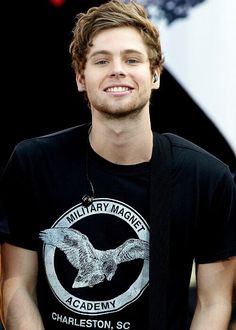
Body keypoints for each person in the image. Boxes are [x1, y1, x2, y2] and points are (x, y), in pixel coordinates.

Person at [0, 0, 236, 329]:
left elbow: (215, 301)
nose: (117, 69)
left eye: (132, 59)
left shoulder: (206, 178)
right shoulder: (33, 164)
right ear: (81, 78)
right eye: (101, 60)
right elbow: (16, 287)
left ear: (155, 74)